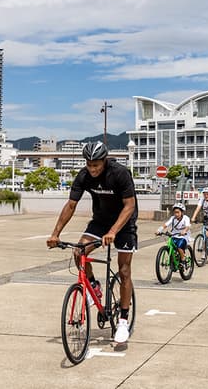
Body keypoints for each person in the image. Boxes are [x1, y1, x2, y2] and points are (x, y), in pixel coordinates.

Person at [47, 141, 137, 344]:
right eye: (89, 164)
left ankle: (123, 319)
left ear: (104, 161)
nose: (92, 169)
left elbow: (130, 205)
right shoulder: (84, 176)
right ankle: (94, 287)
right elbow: (71, 205)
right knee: (79, 252)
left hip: (124, 222)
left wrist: (114, 231)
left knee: (124, 270)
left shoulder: (119, 173)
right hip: (100, 221)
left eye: (96, 164)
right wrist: (55, 234)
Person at [157, 202, 191, 267]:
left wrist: (184, 231)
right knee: (170, 245)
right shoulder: (173, 218)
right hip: (174, 235)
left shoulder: (186, 218)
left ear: (182, 212)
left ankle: (183, 259)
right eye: (175, 212)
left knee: (179, 246)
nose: (176, 214)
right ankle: (174, 259)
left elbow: (187, 226)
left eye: (178, 212)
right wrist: (159, 230)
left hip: (184, 236)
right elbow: (166, 224)